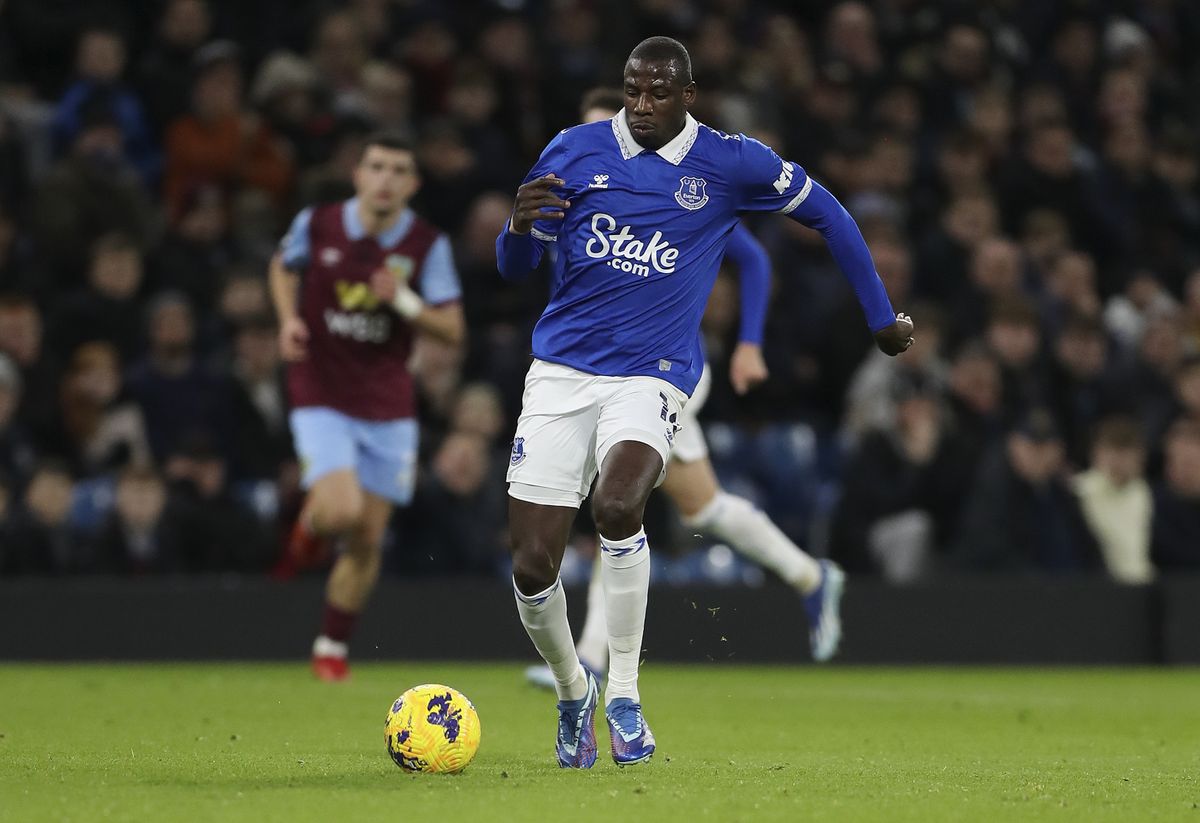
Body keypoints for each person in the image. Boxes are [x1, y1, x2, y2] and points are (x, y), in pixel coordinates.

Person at [496, 38, 912, 769]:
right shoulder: (573, 150)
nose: (643, 106)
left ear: (689, 94)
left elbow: (831, 216)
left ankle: (622, 693)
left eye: (658, 93)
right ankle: (573, 693)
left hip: (654, 373)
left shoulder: (730, 161)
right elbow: (517, 269)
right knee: (533, 565)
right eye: (633, 91)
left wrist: (879, 317)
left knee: (621, 506)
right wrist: (517, 227)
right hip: (561, 372)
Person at [525, 87, 852, 694]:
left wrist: (750, 343)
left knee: (613, 493)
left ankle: (595, 657)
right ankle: (811, 577)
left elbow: (750, 259)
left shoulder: (675, 181)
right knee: (703, 505)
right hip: (592, 367)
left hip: (659, 367)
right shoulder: (568, 175)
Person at [269, 131, 465, 681]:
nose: (385, 179)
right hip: (321, 390)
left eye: (399, 170)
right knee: (340, 511)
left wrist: (401, 300)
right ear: (358, 174)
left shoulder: (427, 245)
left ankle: (331, 645)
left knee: (366, 537)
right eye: (376, 167)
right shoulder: (318, 223)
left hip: (387, 403)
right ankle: (311, 524)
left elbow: (452, 328)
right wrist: (288, 319)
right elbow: (283, 265)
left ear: (413, 184)